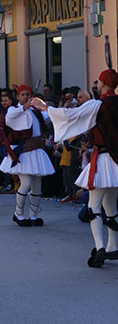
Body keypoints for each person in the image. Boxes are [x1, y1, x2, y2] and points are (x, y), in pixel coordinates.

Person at [32, 69, 118, 267]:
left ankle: (100, 248)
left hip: (103, 159)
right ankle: (113, 245)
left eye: (99, 81)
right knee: (111, 205)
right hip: (116, 160)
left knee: (94, 206)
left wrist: (46, 108)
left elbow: (72, 115)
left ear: (104, 83)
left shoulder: (97, 104)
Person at [0, 84, 55, 227]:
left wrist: (55, 109)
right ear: (18, 96)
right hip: (23, 152)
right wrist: (24, 107)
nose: (25, 97)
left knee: (37, 185)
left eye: (28, 94)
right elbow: (9, 118)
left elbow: (48, 118)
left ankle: (33, 215)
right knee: (26, 183)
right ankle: (18, 214)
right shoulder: (14, 110)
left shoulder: (35, 111)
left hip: (36, 150)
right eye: (22, 94)